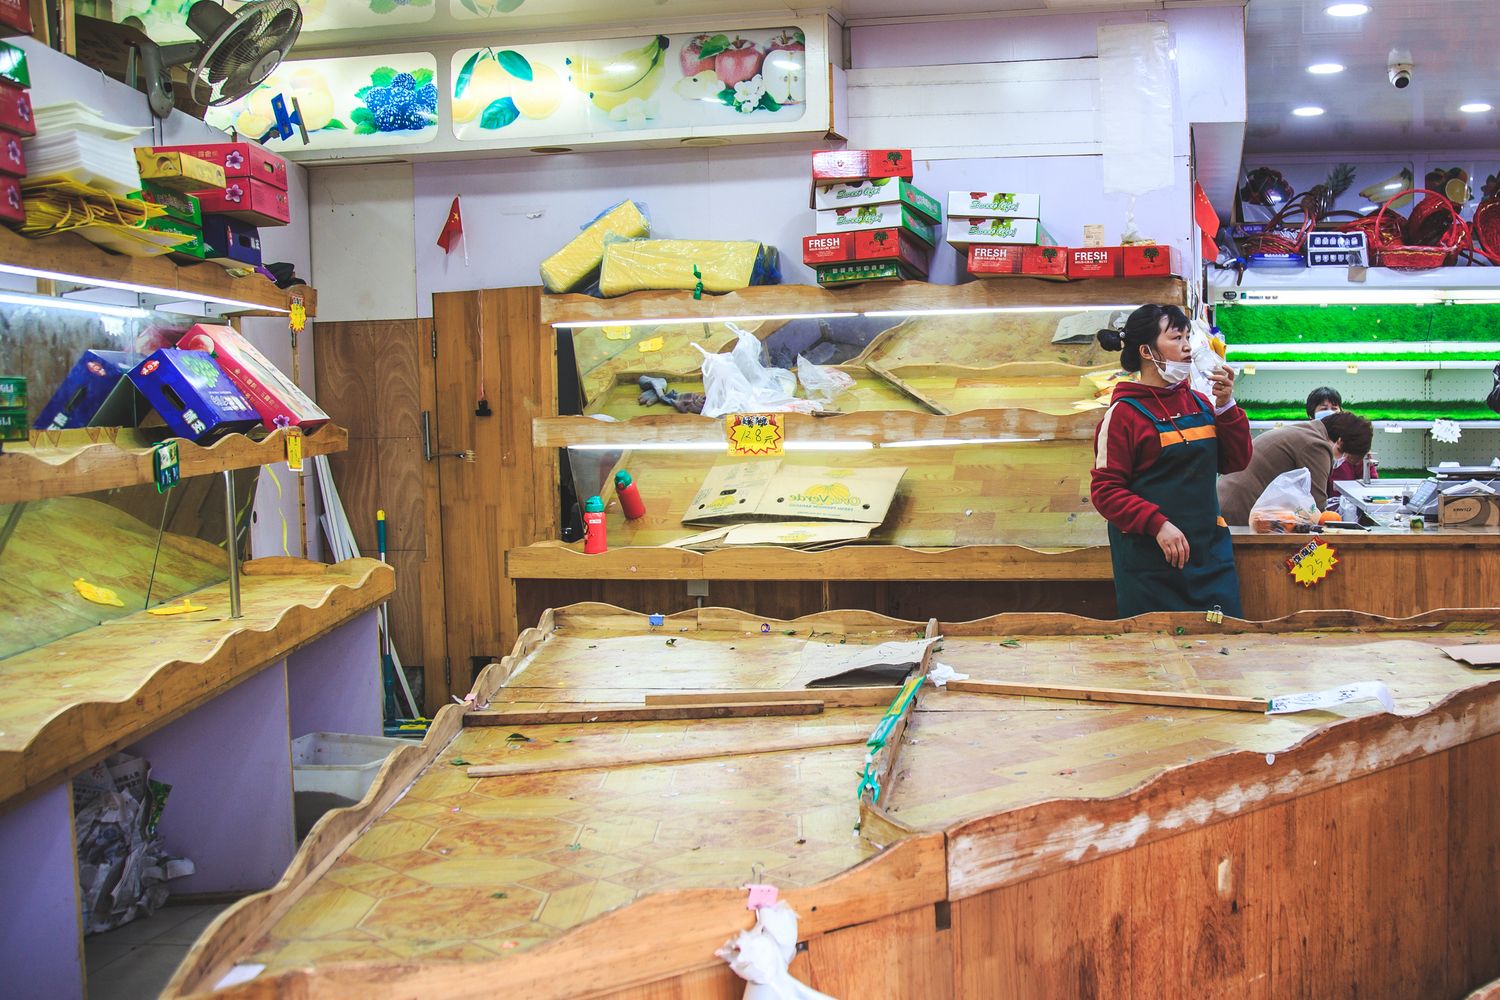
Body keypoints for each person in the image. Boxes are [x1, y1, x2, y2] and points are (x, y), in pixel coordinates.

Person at [1092, 304, 1252, 618]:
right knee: (1155, 659)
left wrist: (1226, 404)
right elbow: (1106, 492)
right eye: (1176, 337)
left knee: (1222, 653)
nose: (1188, 347)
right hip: (1151, 563)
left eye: (1188, 337)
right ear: (1147, 351)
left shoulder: (1199, 401)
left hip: (1209, 556)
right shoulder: (1123, 415)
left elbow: (1236, 461)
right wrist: (1158, 524)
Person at [1217, 410, 1374, 524]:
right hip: (1238, 509)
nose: (1341, 461)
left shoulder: (1307, 430)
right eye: (1345, 455)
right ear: (1340, 442)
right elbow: (1316, 507)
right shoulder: (1316, 445)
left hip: (1226, 500)